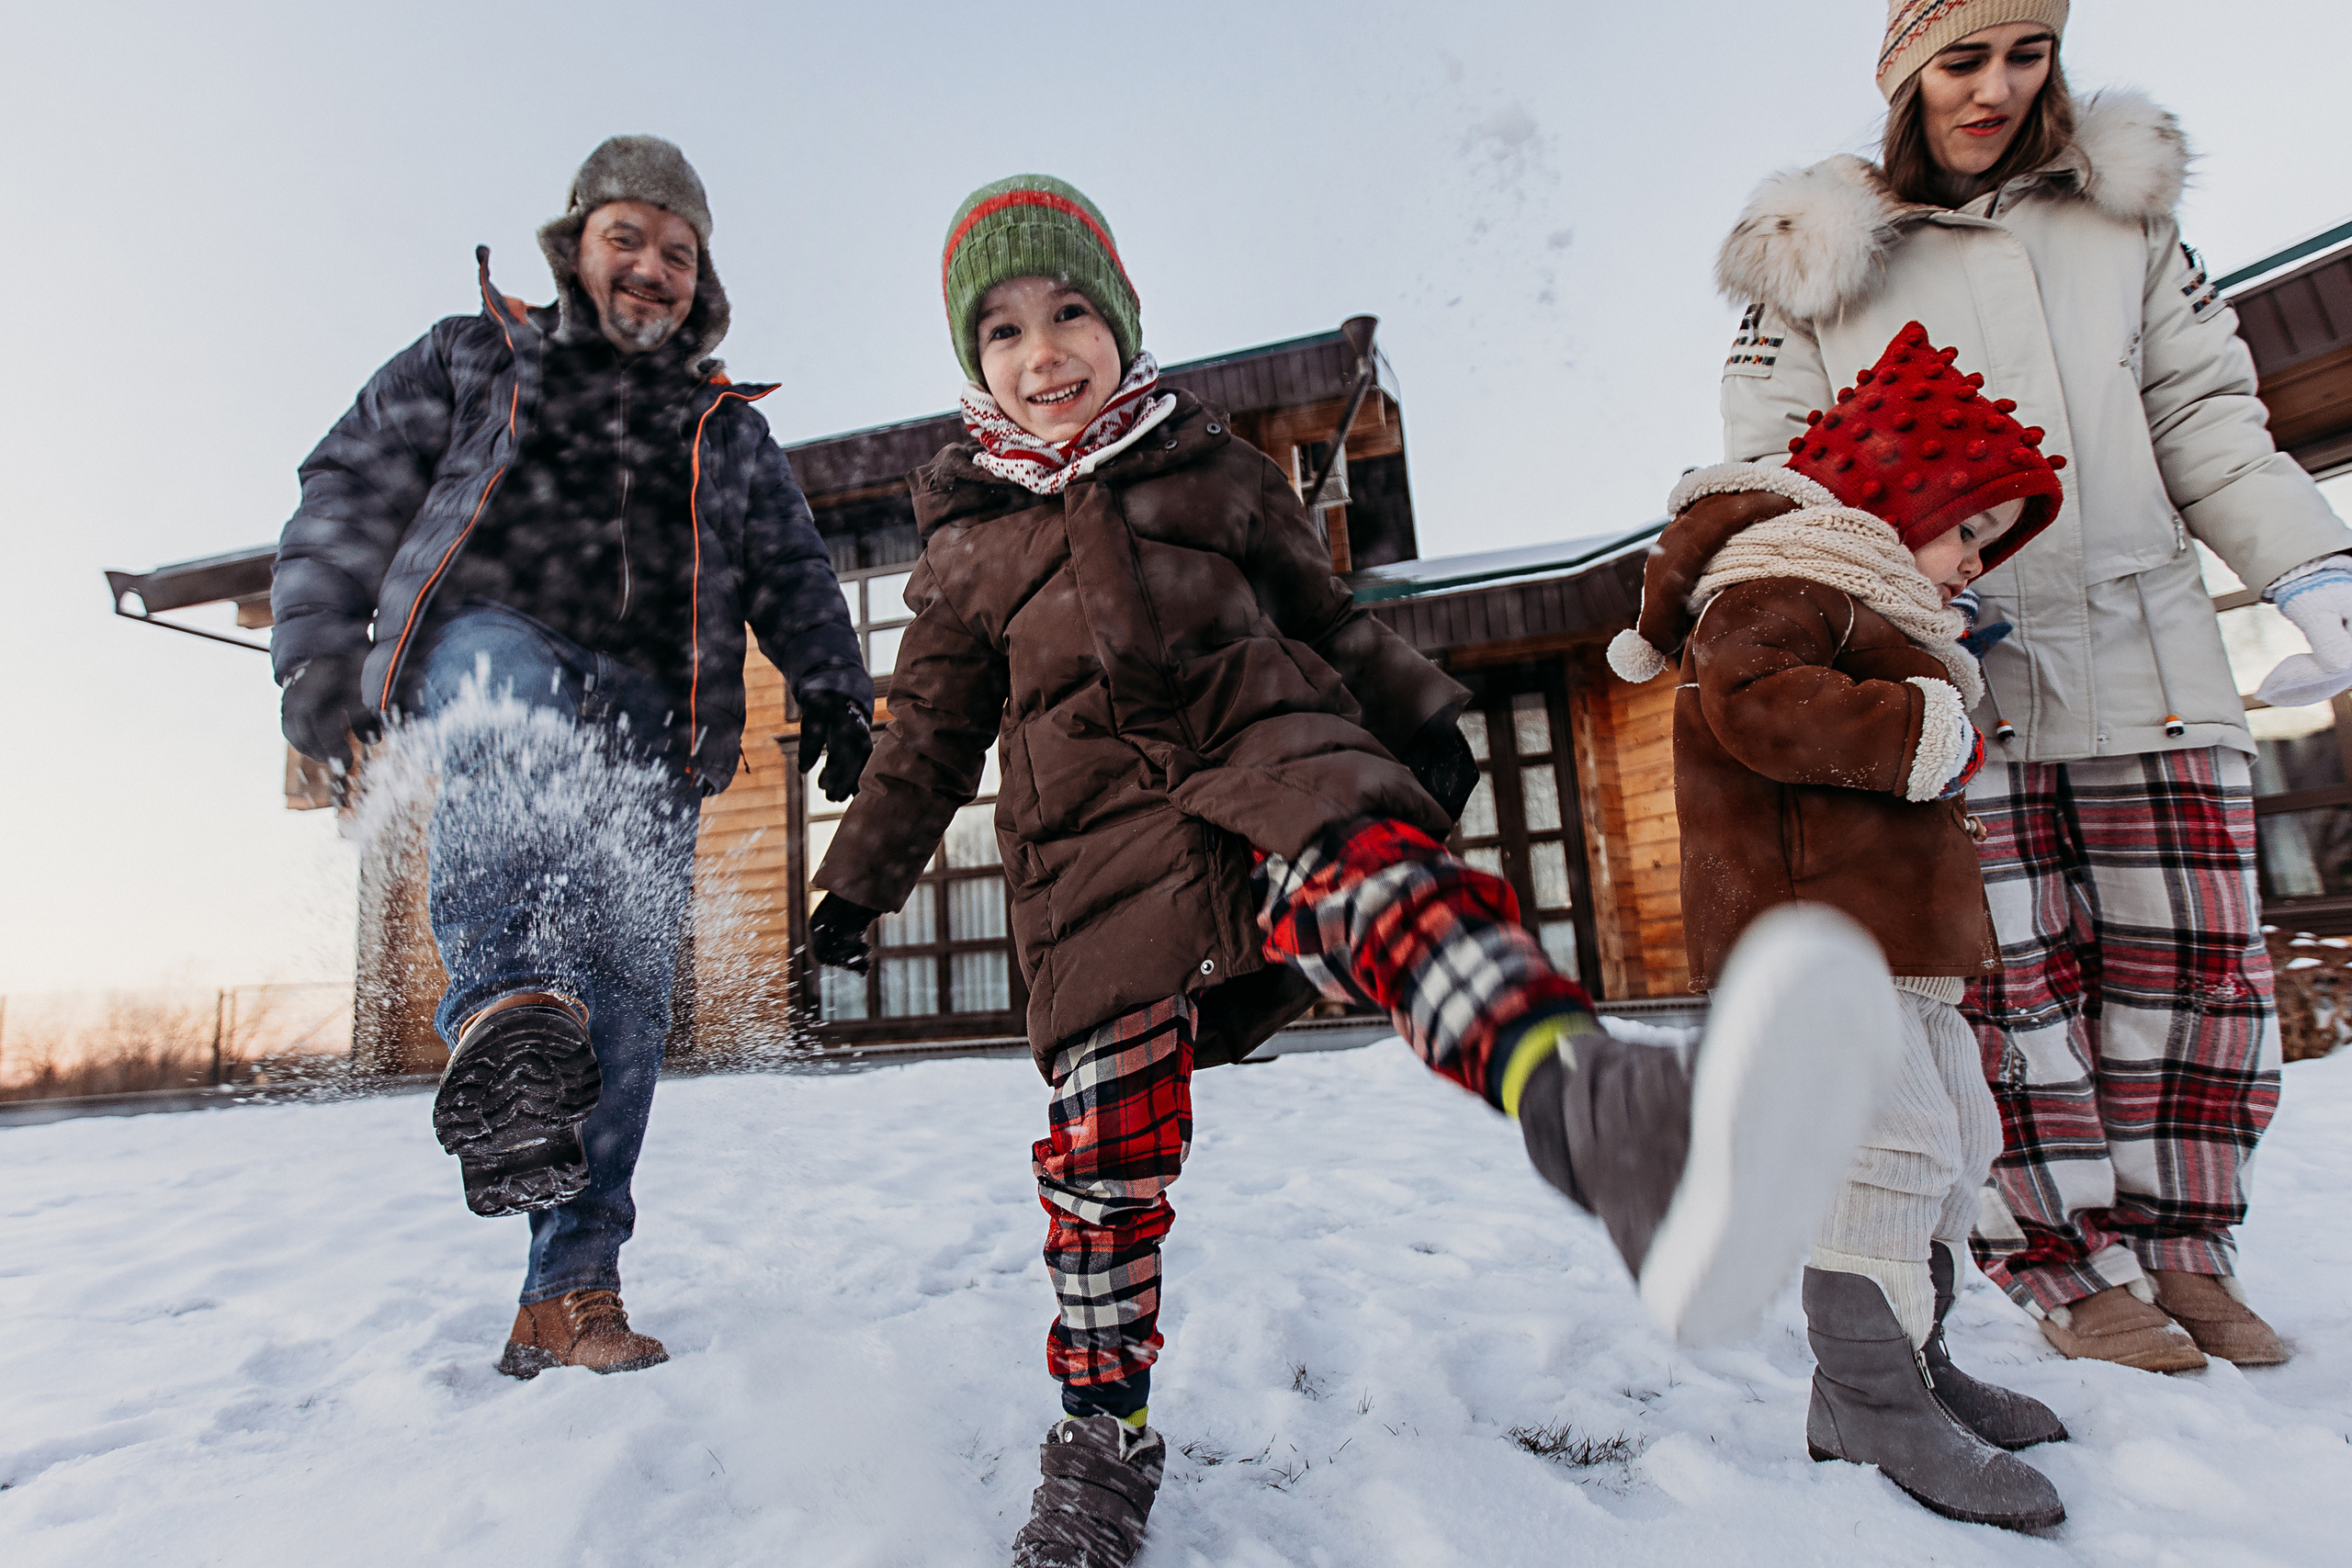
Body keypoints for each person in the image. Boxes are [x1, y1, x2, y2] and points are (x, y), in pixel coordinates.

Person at [806, 174, 1901, 1568]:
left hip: (1274, 773)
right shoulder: (967, 556)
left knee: (1399, 898)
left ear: (1122, 320)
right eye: (1004, 331)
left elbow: (1331, 617)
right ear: (976, 367)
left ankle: (1610, 1114)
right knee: (1104, 1172)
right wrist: (857, 882)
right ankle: (1101, 1441)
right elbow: (926, 742)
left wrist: (1425, 722)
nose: (1044, 353)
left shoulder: (1217, 474)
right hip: (1092, 879)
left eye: (1070, 310)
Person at [1711, 1, 2352, 1371]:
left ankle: (2187, 1251)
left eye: (2026, 53)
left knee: (2193, 978)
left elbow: (2209, 426)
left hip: (2149, 656)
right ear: (1902, 76)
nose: (1995, 87)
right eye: (1962, 60)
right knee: (2012, 997)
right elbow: (1768, 481)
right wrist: (1872, 608)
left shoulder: (2125, 224)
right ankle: (2065, 1268)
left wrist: (2313, 575)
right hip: (1949, 681)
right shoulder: (1815, 258)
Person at [270, 135, 871, 1378]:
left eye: (677, 249)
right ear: (576, 245)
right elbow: (348, 484)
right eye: (627, 238)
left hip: (658, 725)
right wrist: (318, 656)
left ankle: (569, 1289)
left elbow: (795, 572)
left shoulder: (725, 433)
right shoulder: (475, 354)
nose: (650, 266)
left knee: (626, 1004)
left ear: (699, 278)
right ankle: (496, 1003)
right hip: (493, 645)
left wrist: (835, 687)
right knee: (508, 693)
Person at [1614, 321, 2072, 1529]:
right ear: (1898, 497)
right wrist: (1927, 727)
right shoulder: (1777, 584)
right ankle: (1863, 1398)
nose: (1977, 561)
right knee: (1888, 1148)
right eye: (1967, 529)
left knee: (1956, 1143)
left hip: (1893, 945)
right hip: (1812, 940)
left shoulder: (1868, 603)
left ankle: (1912, 1364)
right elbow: (1757, 708)